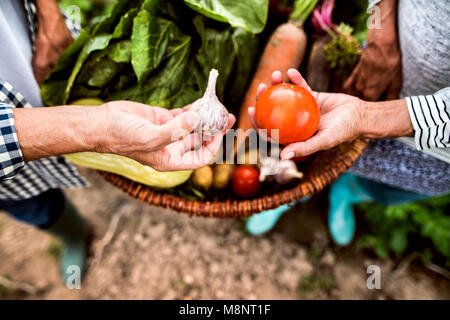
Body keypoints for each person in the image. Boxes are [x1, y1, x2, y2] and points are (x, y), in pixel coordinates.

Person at [0, 0, 234, 283]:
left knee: (40, 184)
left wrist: (49, 15)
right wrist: (99, 129)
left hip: (22, 37)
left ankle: (71, 227)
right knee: (23, 200)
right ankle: (72, 232)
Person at [245, 0, 449, 243]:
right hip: (384, 67)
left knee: (398, 187)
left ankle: (349, 191)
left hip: (443, 151)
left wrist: (365, 116)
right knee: (318, 153)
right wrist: (380, 31)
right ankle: (300, 190)